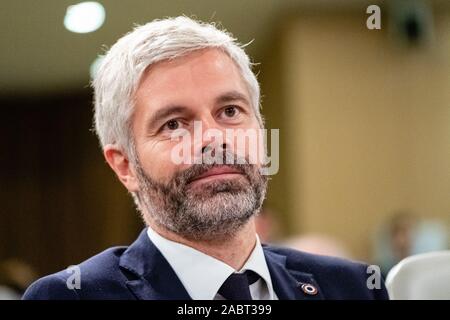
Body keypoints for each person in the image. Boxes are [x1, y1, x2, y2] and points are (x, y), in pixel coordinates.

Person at [23, 16, 388, 300]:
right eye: (174, 123)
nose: (213, 138)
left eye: (230, 111)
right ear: (124, 165)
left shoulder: (354, 287)